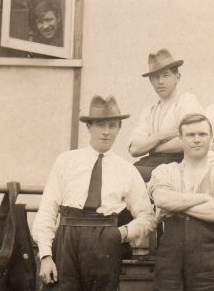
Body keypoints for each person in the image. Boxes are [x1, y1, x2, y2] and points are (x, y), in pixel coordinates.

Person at [33, 95, 156, 290]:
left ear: (119, 129)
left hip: (105, 241)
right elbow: (48, 209)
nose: (106, 132)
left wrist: (123, 233)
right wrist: (46, 255)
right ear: (89, 127)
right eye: (100, 125)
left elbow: (147, 217)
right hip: (67, 239)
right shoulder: (66, 161)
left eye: (112, 125)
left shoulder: (127, 170)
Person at [148, 113, 214, 290]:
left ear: (211, 137)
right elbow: (162, 199)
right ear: (180, 138)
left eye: (202, 134)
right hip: (168, 263)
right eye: (190, 135)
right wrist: (204, 198)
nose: (196, 140)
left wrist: (177, 206)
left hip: (209, 264)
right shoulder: (165, 171)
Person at [129, 48, 204, 182]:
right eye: (155, 77)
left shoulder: (186, 101)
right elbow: (134, 148)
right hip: (152, 163)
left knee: (130, 175)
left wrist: (152, 146)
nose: (160, 81)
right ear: (151, 81)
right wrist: (160, 136)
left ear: (177, 77)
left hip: (180, 164)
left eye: (166, 75)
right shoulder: (149, 111)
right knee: (124, 173)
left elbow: (190, 141)